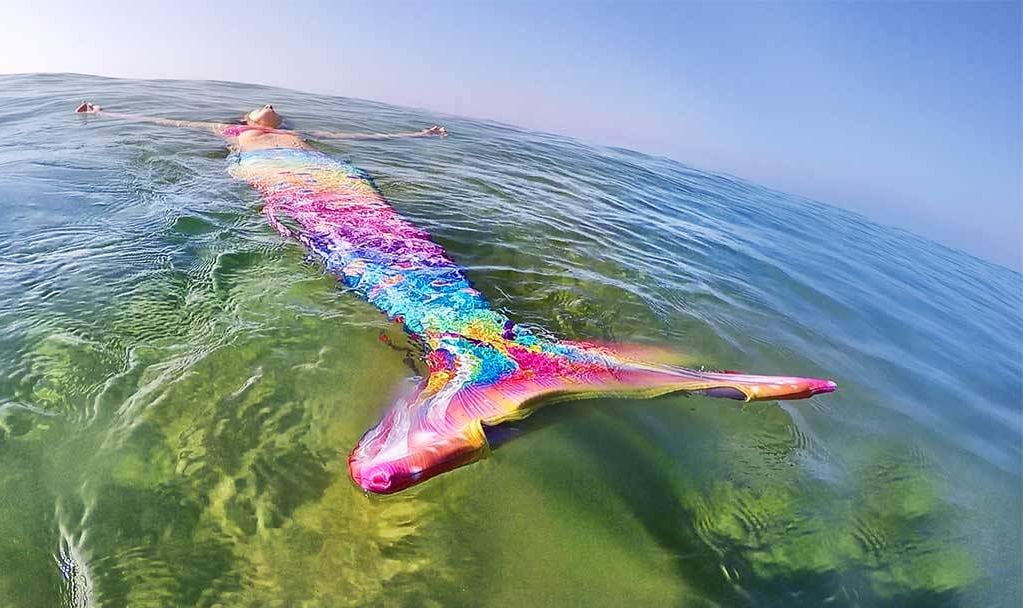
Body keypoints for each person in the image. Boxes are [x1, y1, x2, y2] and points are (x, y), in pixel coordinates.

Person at [76, 101, 835, 495]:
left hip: (303, 186)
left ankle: (481, 365)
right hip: (330, 182)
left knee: (373, 249)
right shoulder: (252, 130)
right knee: (391, 246)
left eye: (268, 118)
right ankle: (515, 355)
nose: (267, 117)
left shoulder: (256, 140)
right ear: (255, 121)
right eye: (261, 117)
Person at [76, 102, 446, 153]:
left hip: (318, 169)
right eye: (263, 106)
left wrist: (420, 134)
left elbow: (364, 136)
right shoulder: (229, 129)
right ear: (248, 120)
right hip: (269, 170)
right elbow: (168, 121)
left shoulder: (301, 134)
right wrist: (102, 112)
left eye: (274, 108)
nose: (270, 104)